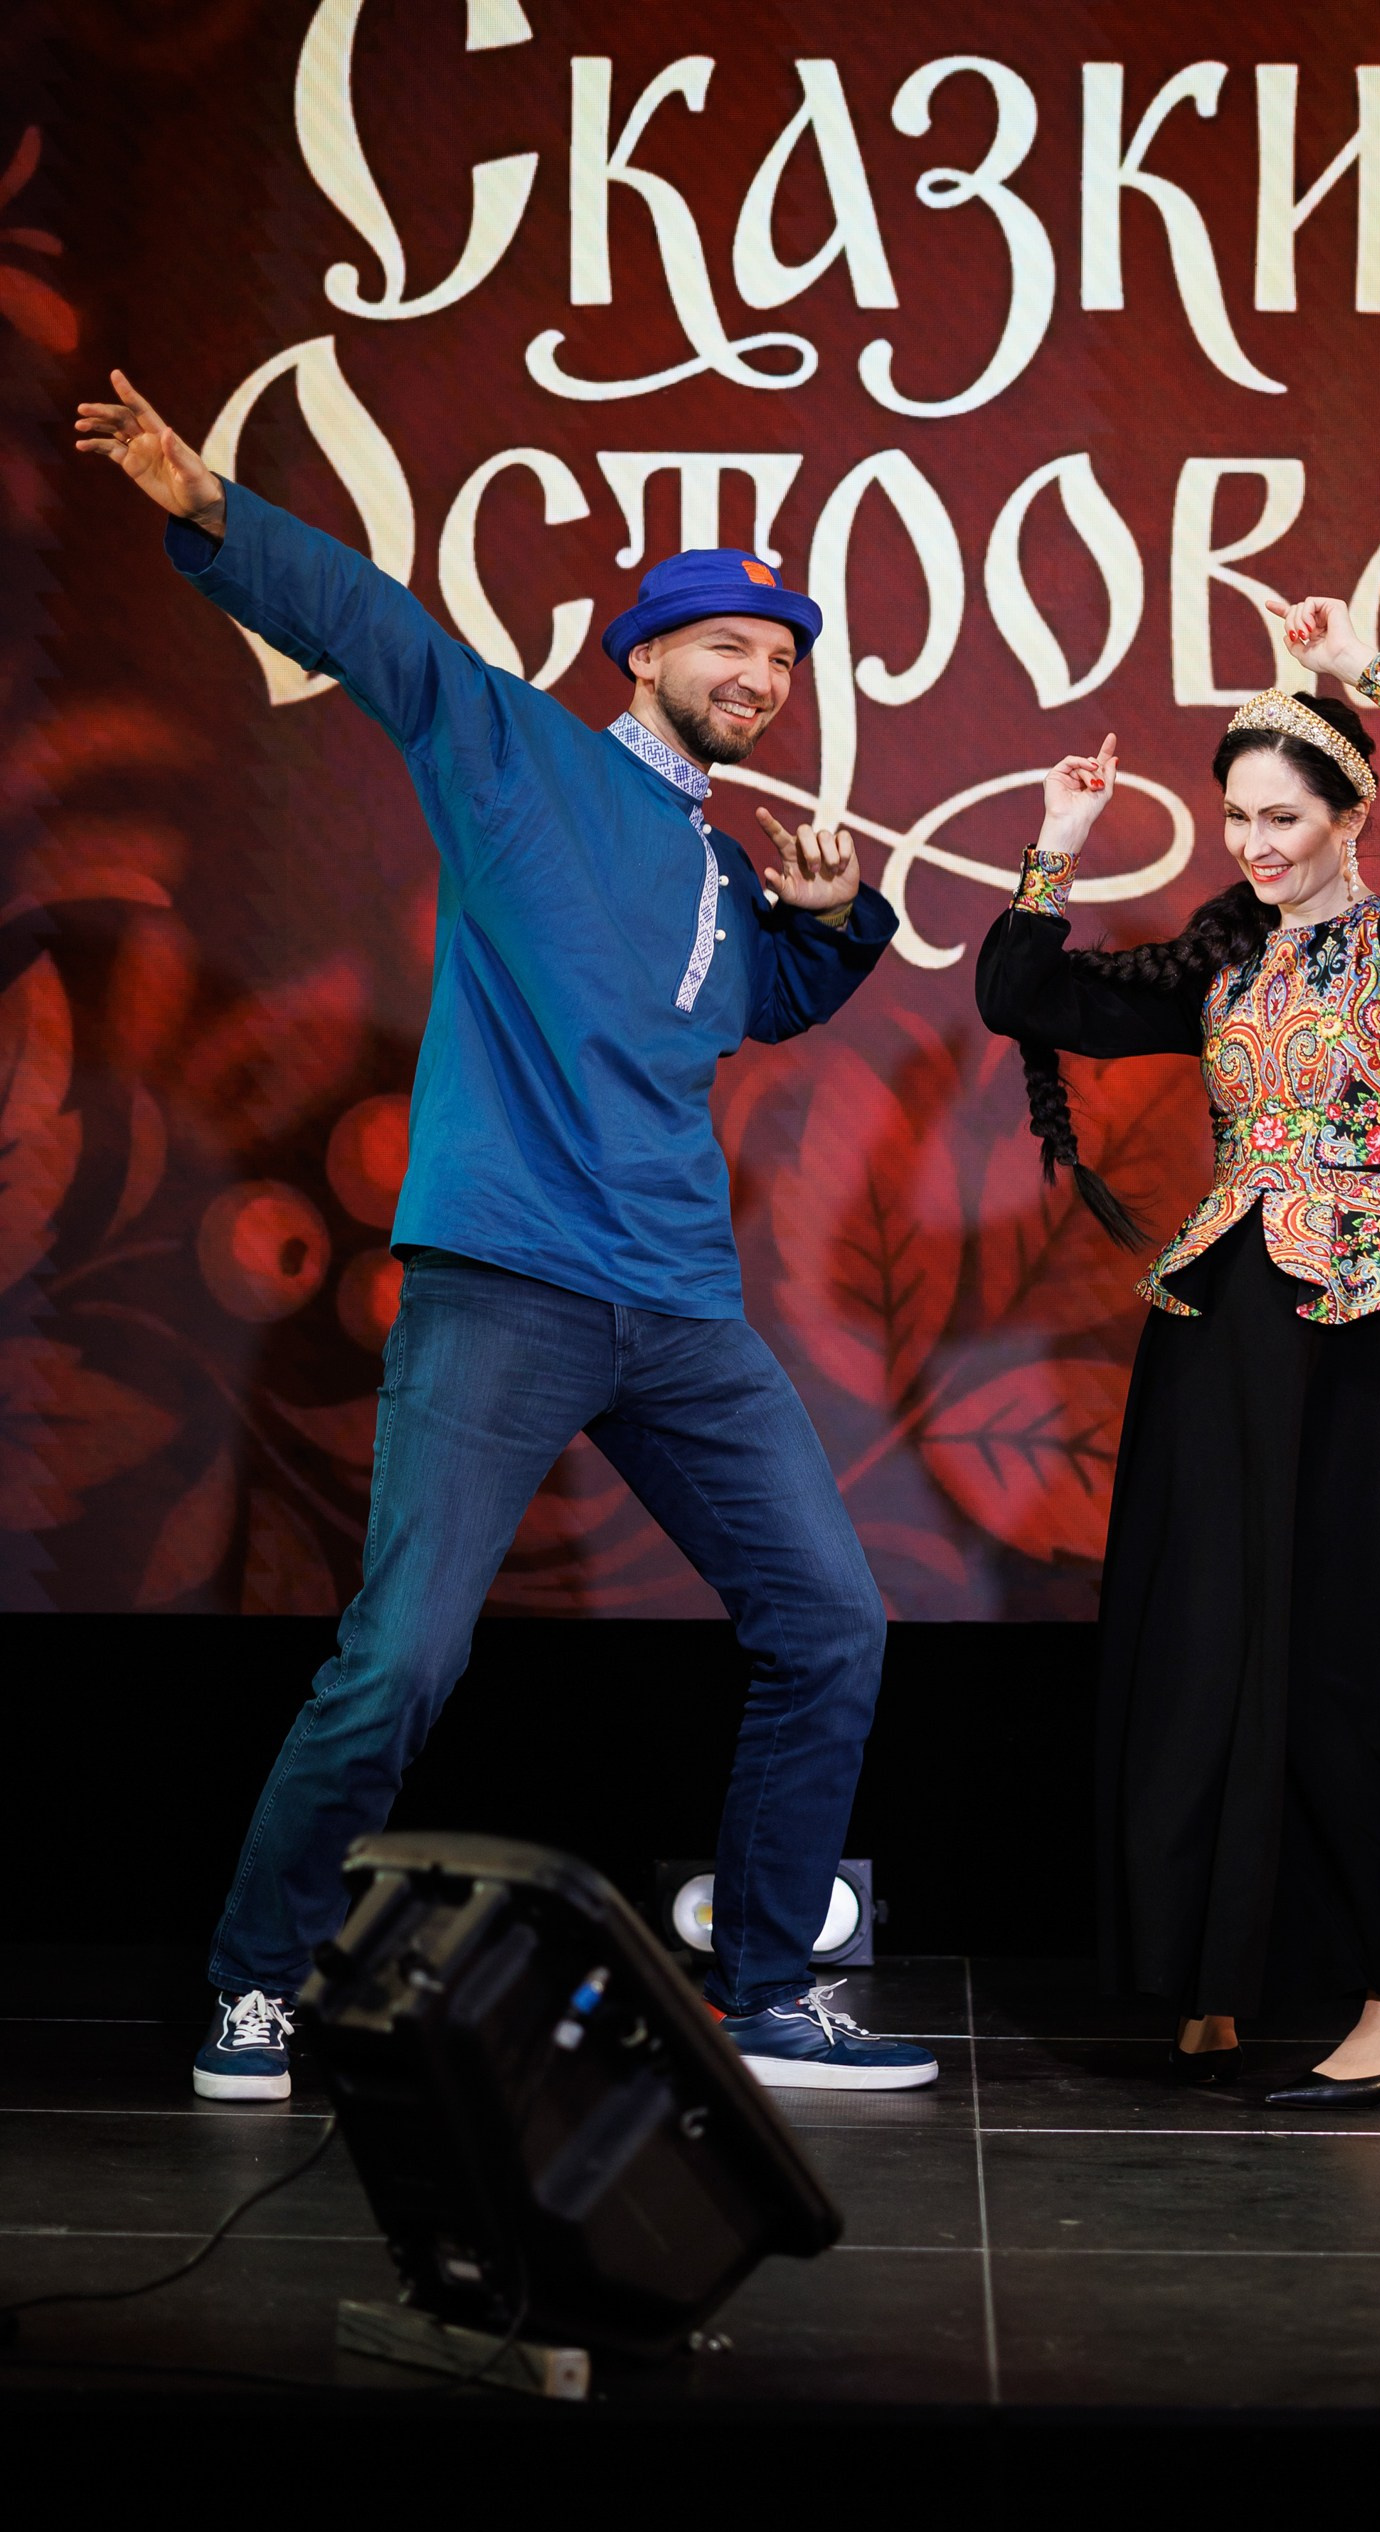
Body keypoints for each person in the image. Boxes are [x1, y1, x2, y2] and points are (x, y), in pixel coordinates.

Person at [75, 369, 938, 2101]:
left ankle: (769, 1994)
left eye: (782, 662)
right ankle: (256, 1983)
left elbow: (754, 1005)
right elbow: (376, 631)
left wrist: (841, 924)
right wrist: (212, 508)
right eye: (728, 648)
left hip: (676, 1306)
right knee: (403, 1656)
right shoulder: (516, 753)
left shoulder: (722, 869)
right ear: (645, 654)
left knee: (831, 1623)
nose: (761, 678)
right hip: (508, 1285)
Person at [976, 594, 1380, 2110]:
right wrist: (1056, 843)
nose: (1255, 844)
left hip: (1361, 1324)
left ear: (1348, 815)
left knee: (1348, 1651)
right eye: (1237, 820)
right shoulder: (1225, 964)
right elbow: (1026, 994)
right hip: (1221, 1324)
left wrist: (1359, 672)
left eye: (1282, 817)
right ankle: (1218, 1978)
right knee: (1204, 1639)